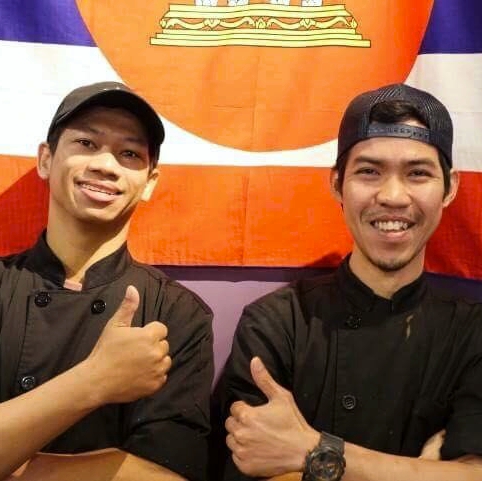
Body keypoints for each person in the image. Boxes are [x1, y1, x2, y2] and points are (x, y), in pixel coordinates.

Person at [217, 83, 482, 481]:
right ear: (337, 183)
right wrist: (426, 473)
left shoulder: (473, 333)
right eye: (369, 172)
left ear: (450, 188)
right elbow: (252, 464)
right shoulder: (276, 323)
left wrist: (312, 451)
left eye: (418, 173)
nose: (393, 196)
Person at [0, 82, 213, 481]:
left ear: (150, 182)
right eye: (86, 143)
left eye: (129, 153)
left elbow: (171, 475)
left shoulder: (176, 313)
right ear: (46, 160)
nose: (106, 165)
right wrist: (93, 381)